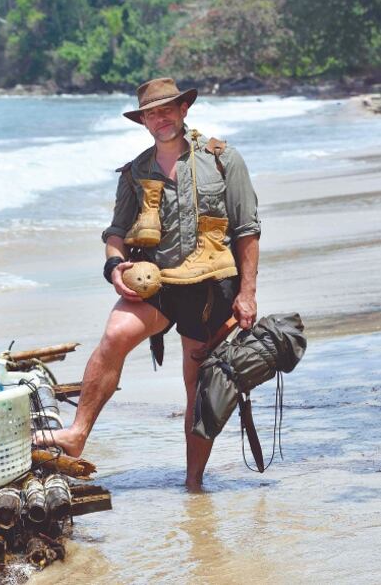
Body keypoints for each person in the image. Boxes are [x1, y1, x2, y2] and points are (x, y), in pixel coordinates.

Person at [37, 78, 260, 490]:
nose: (161, 118)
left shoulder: (224, 159)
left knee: (196, 383)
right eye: (152, 113)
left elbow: (247, 230)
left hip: (210, 288)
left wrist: (247, 294)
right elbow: (116, 233)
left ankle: (193, 482)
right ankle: (77, 434)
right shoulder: (135, 172)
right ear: (143, 121)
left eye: (167, 109)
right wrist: (114, 268)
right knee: (115, 335)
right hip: (155, 283)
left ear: (184, 110)